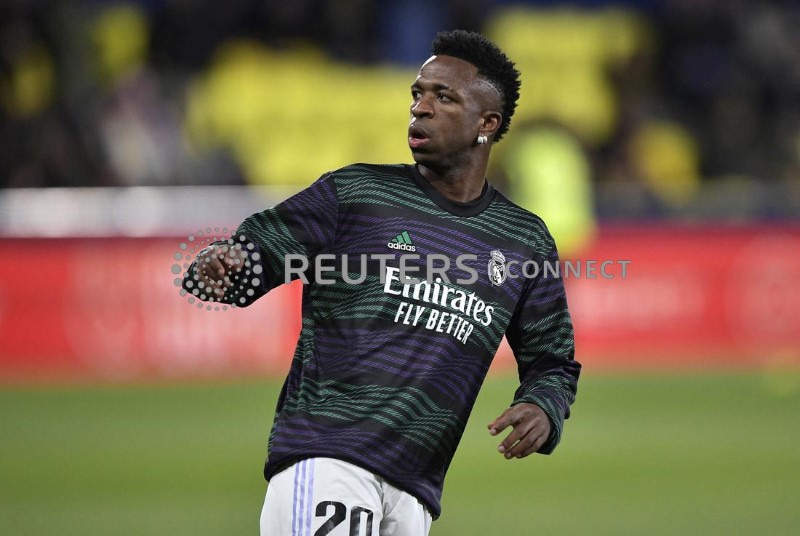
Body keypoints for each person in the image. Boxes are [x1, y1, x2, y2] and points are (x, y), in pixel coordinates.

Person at [186, 29, 580, 536]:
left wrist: (543, 406)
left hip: (415, 491)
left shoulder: (523, 239)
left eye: (444, 97)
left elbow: (552, 360)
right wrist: (226, 266)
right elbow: (258, 251)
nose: (421, 107)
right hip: (330, 458)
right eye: (418, 93)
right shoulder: (356, 192)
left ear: (487, 124)